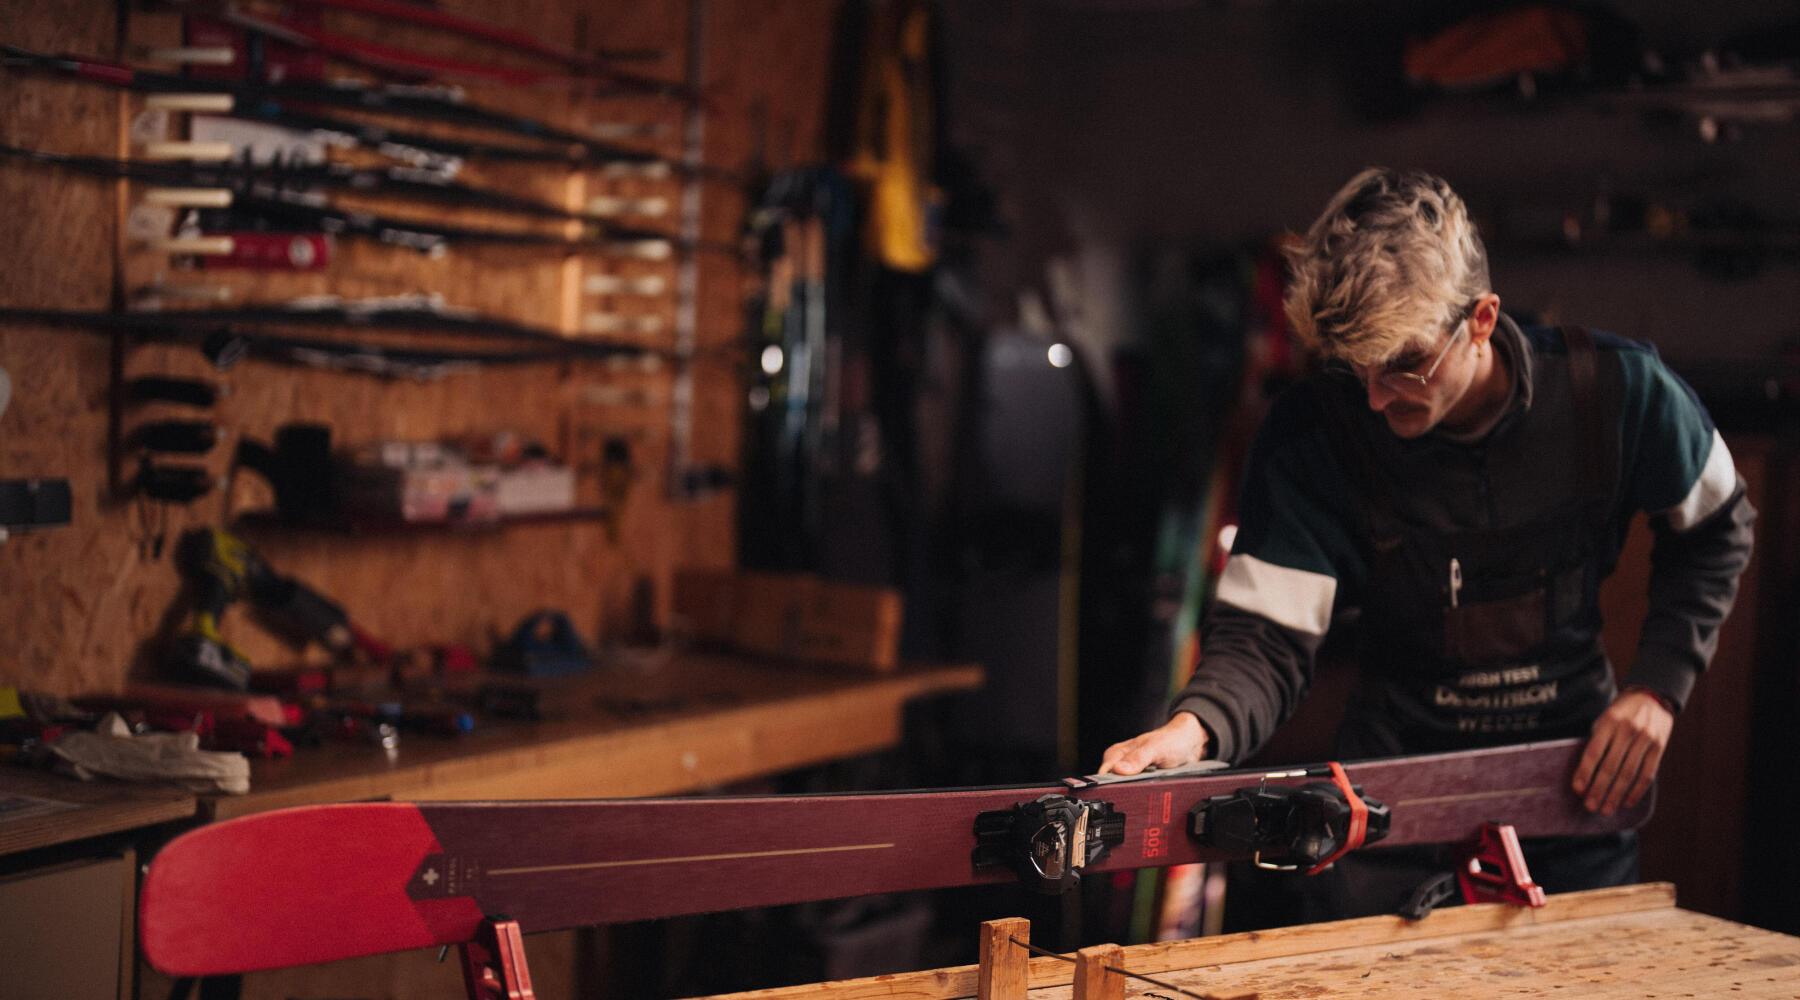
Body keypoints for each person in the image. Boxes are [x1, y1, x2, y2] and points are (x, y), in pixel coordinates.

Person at [1099, 166, 1755, 920]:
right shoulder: (1315, 434)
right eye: (1356, 370)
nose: (1377, 399)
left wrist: (1657, 687)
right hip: (1388, 805)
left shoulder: (1618, 393)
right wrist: (1197, 727)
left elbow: (1718, 530)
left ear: (1481, 319)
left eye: (1404, 365)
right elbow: (1267, 638)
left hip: (1570, 789)